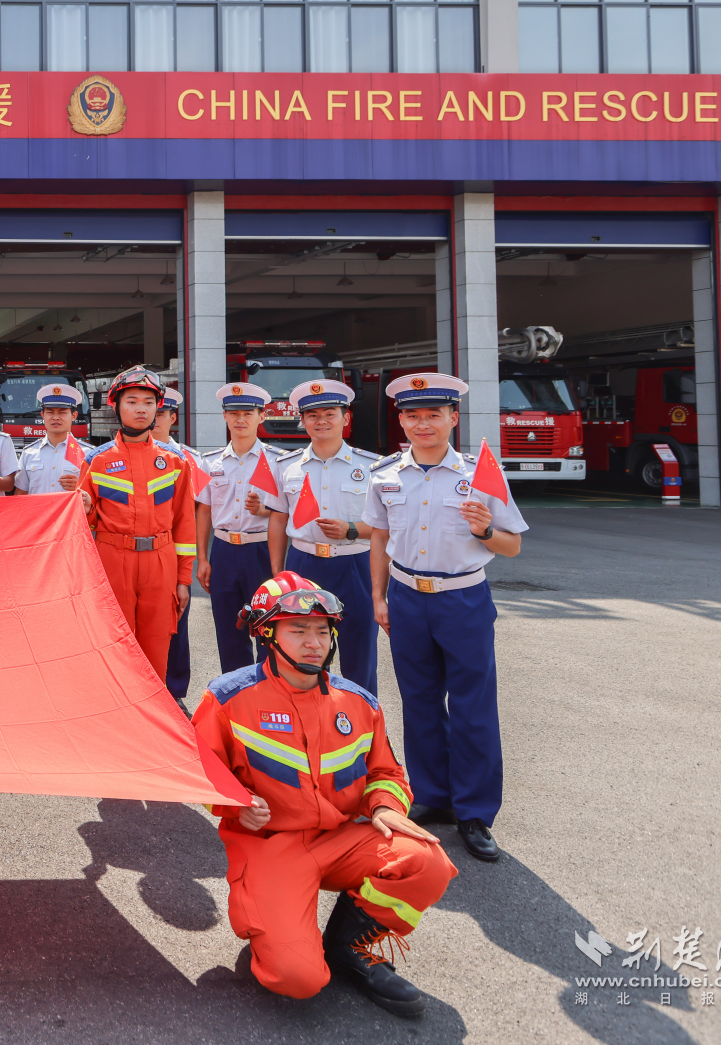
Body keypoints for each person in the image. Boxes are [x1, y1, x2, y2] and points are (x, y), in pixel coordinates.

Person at [192, 573, 456, 1019]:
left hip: (339, 840)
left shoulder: (360, 704)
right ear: (266, 635)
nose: (314, 643)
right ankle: (279, 931)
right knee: (299, 979)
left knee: (427, 862)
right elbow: (199, 769)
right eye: (298, 630)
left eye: (322, 630)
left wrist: (385, 805)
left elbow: (387, 772)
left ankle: (347, 947)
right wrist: (233, 803)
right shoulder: (227, 699)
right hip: (271, 848)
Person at [361, 373, 527, 864]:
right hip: (407, 597)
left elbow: (513, 546)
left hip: (462, 599)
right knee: (419, 700)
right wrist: (378, 596)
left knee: (474, 706)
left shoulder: (479, 474)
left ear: (453, 417)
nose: (423, 424)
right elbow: (378, 536)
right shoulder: (385, 475)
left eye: (433, 414)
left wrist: (486, 530)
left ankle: (474, 811)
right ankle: (433, 795)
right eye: (412, 415)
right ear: (401, 421)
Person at [262, 380, 384, 696]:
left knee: (360, 649)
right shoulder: (286, 466)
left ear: (346, 418)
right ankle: (309, 713)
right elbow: (278, 519)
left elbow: (387, 525)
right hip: (304, 564)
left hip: (355, 564)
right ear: (302, 421)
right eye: (313, 415)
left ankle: (362, 715)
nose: (322, 421)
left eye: (330, 414)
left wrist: (351, 529)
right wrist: (278, 573)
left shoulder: (373, 466)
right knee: (304, 649)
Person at [81, 367, 196, 678]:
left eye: (148, 402)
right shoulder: (96, 461)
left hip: (161, 563)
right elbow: (82, 528)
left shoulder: (175, 462)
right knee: (115, 642)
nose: (141, 409)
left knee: (157, 643)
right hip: (112, 560)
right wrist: (87, 510)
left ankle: (154, 706)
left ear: (158, 408)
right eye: (131, 401)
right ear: (116, 406)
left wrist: (183, 580)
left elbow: (185, 523)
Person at [193, 383, 284, 678]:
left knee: (268, 626)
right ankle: (236, 692)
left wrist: (264, 510)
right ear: (224, 417)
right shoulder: (209, 462)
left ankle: (269, 689)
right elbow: (203, 510)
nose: (240, 419)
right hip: (223, 551)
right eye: (234, 414)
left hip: (262, 550)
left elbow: (289, 512)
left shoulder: (279, 462)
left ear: (262, 416)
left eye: (248, 413)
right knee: (229, 629)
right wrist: (202, 559)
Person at [152, 387, 197, 705]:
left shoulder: (188, 459)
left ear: (172, 417)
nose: (154, 419)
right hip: (139, 552)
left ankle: (176, 693)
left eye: (161, 413)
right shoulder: (123, 454)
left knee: (176, 625)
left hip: (172, 549)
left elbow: (194, 514)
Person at [12, 382, 87, 497]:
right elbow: (20, 495)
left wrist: (81, 486)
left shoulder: (87, 454)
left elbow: (97, 497)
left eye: (62, 412)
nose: (55, 417)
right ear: (42, 415)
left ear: (74, 416)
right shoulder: (29, 453)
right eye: (50, 412)